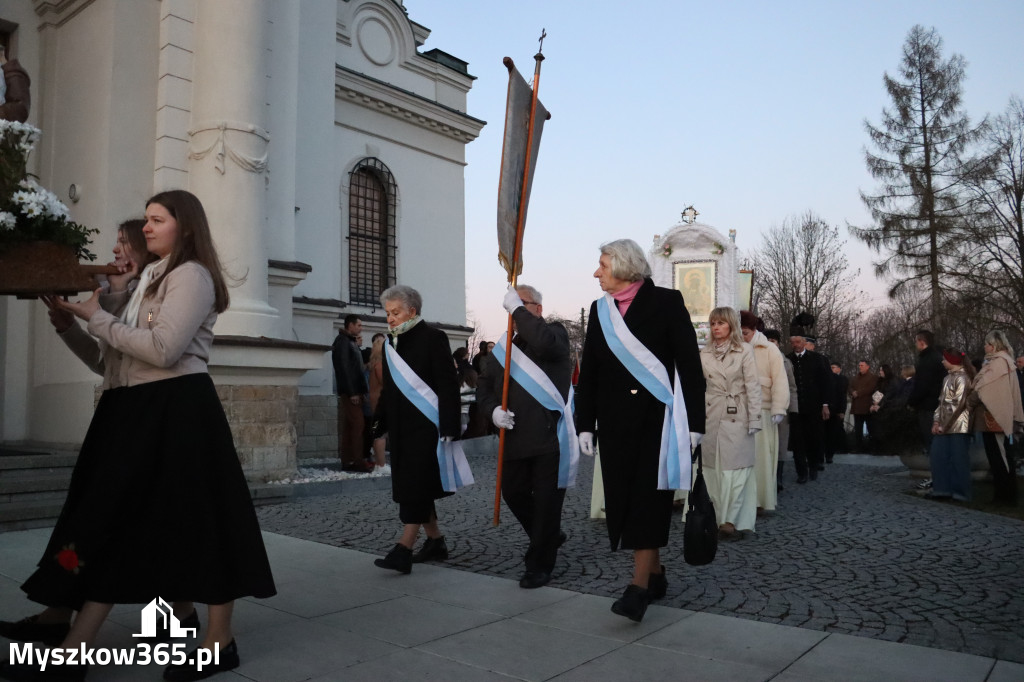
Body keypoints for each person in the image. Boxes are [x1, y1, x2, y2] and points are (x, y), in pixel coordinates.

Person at [3, 190, 277, 681]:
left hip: (178, 409)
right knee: (118, 520)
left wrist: (98, 316)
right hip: (137, 409)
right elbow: (112, 363)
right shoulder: (153, 275)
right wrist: (77, 324)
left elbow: (163, 349)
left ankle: (213, 639)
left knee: (198, 521)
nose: (145, 228)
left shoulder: (190, 275)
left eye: (156, 219)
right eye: (145, 220)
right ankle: (91, 631)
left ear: (184, 226)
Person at [0, 220, 174, 650]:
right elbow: (106, 364)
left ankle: (165, 617)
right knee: (88, 518)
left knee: (108, 522)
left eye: (123, 243)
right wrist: (68, 327)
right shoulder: (125, 292)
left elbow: (151, 349)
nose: (114, 250)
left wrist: (98, 313)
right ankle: (58, 614)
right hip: (116, 413)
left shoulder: (153, 294)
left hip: (143, 416)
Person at [575, 239, 705, 622]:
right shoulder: (600, 311)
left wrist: (695, 423)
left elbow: (689, 366)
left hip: (657, 423)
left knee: (646, 502)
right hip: (614, 425)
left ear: (623, 266)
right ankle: (656, 574)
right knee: (625, 500)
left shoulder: (667, 302)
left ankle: (638, 589)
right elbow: (590, 373)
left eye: (602, 265)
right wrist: (585, 424)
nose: (596, 273)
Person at [477, 284, 574, 589]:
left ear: (537, 309)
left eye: (520, 305)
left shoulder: (555, 333)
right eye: (511, 306)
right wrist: (493, 411)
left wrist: (517, 308)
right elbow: (484, 386)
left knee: (546, 503)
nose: (514, 312)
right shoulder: (505, 348)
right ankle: (548, 536)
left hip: (548, 437)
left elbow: (544, 344)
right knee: (514, 493)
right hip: (515, 437)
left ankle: (539, 564)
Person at [372, 285, 470, 574]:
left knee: (414, 487)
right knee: (415, 485)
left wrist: (451, 424)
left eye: (395, 312)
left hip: (427, 427)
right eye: (388, 313)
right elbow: (389, 390)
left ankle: (403, 549)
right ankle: (436, 542)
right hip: (401, 429)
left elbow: (447, 384)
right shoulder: (391, 344)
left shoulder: (433, 337)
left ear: (412, 311)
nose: (390, 318)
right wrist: (378, 424)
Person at [702, 308, 762, 539]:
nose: (716, 327)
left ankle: (732, 520)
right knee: (713, 470)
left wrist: (754, 418)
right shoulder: (704, 353)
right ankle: (715, 517)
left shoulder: (744, 350)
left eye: (721, 323)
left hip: (737, 414)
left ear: (731, 325)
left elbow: (753, 386)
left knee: (736, 471)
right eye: (713, 323)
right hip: (711, 414)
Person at [739, 312, 788, 514]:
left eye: (745, 333)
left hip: (763, 409)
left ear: (754, 330)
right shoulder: (735, 347)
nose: (742, 337)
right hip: (740, 410)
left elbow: (780, 380)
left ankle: (760, 500)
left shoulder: (770, 349)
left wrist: (779, 407)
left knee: (761, 460)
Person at [970, 331, 1023, 506]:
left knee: (1000, 457)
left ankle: (1005, 496)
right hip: (995, 416)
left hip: (995, 417)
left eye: (987, 344)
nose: (984, 346)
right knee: (999, 456)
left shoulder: (999, 362)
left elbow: (983, 388)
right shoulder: (1003, 361)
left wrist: (970, 399)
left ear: (994, 345)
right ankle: (1004, 494)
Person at [786, 314, 832, 483]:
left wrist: (825, 404)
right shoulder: (788, 360)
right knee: (797, 442)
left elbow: (825, 383)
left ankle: (813, 466)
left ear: (804, 342)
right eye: (793, 343)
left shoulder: (818, 360)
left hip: (814, 406)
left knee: (813, 439)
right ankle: (801, 472)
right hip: (795, 408)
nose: (796, 345)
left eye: (798, 342)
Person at [927, 348, 976, 502]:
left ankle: (960, 492)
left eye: (945, 359)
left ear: (952, 361)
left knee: (958, 459)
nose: (942, 361)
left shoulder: (962, 378)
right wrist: (936, 421)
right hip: (944, 424)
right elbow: (941, 402)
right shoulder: (947, 378)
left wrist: (944, 426)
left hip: (959, 425)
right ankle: (942, 489)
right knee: (938, 456)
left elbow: (958, 404)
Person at [332, 314, 372, 472]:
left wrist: (357, 347)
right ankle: (357, 461)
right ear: (350, 325)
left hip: (354, 390)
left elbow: (355, 366)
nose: (361, 328)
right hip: (351, 392)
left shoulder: (349, 341)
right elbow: (344, 369)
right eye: (359, 325)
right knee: (358, 424)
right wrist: (352, 392)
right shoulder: (343, 342)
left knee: (350, 426)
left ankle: (348, 460)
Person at [765, 329, 797, 491]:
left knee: (781, 445)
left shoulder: (786, 362)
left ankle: (778, 477)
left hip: (781, 409)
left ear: (778, 343)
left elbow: (792, 388)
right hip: (763, 406)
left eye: (773, 341)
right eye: (768, 340)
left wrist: (793, 410)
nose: (770, 343)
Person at [908, 330, 945, 456]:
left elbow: (923, 385)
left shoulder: (928, 360)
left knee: (931, 440)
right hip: (934, 403)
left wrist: (912, 401)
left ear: (922, 342)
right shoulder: (935, 357)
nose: (915, 344)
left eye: (916, 341)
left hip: (928, 405)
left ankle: (935, 465)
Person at [366, 333, 389, 472]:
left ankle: (378, 464)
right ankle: (381, 465)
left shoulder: (374, 363)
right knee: (381, 433)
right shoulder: (380, 365)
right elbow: (386, 383)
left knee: (377, 432)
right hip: (381, 401)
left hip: (376, 400)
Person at [849, 360, 879, 453]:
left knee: (871, 428)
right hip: (857, 406)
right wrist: (852, 392)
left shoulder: (873, 377)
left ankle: (873, 447)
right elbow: (850, 387)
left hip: (867, 406)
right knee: (858, 429)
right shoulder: (855, 378)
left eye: (862, 365)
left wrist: (858, 393)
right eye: (859, 365)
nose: (860, 367)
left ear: (867, 366)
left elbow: (870, 388)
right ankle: (859, 447)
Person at [827, 362, 849, 462]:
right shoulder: (828, 378)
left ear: (839, 369)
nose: (831, 369)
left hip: (837, 408)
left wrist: (841, 410)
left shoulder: (842, 379)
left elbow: (842, 395)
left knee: (838, 428)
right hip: (830, 407)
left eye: (833, 367)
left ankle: (842, 447)